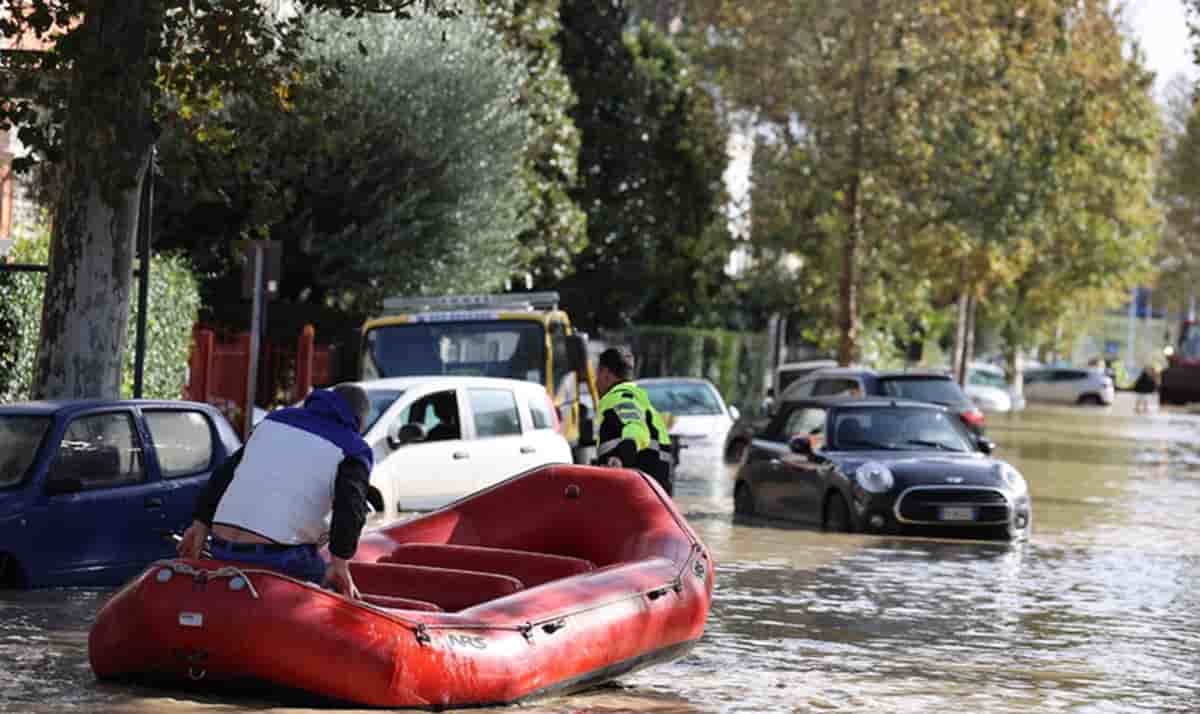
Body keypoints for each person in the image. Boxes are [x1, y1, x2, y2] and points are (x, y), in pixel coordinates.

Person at [177, 383, 373, 599]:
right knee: (334, 594)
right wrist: (340, 562)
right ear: (360, 421)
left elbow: (225, 473)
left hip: (221, 547)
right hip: (278, 558)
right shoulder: (354, 448)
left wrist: (200, 523)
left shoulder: (274, 420)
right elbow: (352, 508)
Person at [593, 346, 674, 494]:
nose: (595, 382)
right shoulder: (646, 405)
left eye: (596, 375)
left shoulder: (620, 397)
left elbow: (636, 429)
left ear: (605, 373)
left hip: (633, 495)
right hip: (655, 496)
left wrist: (621, 457)